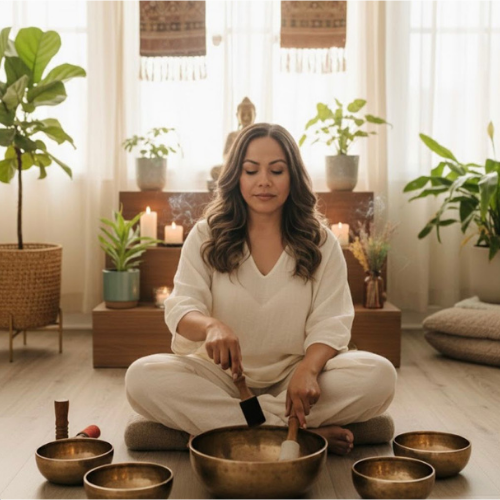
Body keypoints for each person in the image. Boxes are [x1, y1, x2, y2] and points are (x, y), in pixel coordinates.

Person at [125, 123, 397, 455]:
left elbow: (332, 320)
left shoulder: (321, 242)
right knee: (141, 377)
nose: (264, 181)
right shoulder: (205, 235)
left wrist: (308, 370)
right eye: (251, 170)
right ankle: (295, 432)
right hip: (220, 379)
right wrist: (211, 326)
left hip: (295, 377)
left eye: (277, 170)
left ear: (293, 177)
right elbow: (182, 306)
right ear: (235, 176)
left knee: (379, 375)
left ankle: (238, 430)